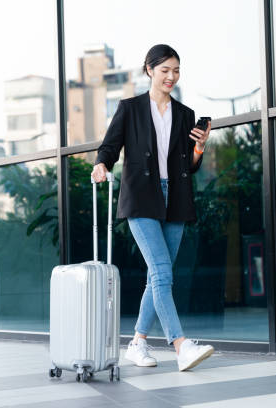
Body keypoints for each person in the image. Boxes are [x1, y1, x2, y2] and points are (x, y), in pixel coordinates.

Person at [91, 44, 214, 372]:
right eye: (165, 70)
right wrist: (101, 165)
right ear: (149, 70)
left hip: (175, 198)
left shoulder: (185, 114)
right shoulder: (130, 108)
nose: (171, 76)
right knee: (161, 271)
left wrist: (200, 147)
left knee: (159, 275)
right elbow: (110, 146)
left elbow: (191, 165)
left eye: (176, 70)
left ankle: (138, 343)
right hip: (142, 196)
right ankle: (180, 345)